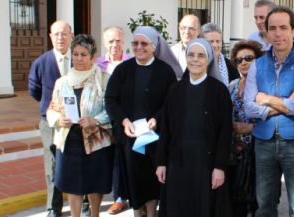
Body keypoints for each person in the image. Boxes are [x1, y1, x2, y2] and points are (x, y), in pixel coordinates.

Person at [244, 6, 294, 217]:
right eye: (273, 28)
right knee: (264, 206)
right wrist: (288, 102)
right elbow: (249, 107)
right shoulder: (257, 65)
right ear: (266, 32)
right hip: (264, 142)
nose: (278, 34)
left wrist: (267, 100)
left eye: (283, 28)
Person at [155, 38, 232, 217]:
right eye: (191, 55)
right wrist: (161, 162)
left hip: (206, 164)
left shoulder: (219, 91)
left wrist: (220, 166)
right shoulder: (175, 90)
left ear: (209, 60)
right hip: (177, 162)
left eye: (201, 55)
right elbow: (165, 129)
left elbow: (225, 132)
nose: (195, 60)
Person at [105, 26, 177, 217]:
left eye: (144, 43)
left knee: (152, 179)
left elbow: (171, 102)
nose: (139, 47)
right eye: (135, 43)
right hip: (130, 137)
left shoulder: (165, 71)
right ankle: (137, 212)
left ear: (154, 46)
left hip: (156, 137)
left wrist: (156, 118)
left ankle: (152, 213)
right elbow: (111, 99)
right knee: (133, 178)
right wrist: (124, 121)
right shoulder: (122, 70)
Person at [46, 34, 113, 217]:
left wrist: (95, 120)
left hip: (96, 140)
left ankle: (95, 214)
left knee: (94, 182)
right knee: (72, 183)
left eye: (83, 54)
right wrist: (60, 118)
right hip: (69, 140)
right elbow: (51, 109)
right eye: (75, 54)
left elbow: (113, 108)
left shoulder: (104, 80)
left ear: (93, 56)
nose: (78, 58)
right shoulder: (62, 82)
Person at [28, 20, 72, 217]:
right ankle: (53, 207)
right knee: (52, 165)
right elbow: (34, 90)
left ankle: (85, 200)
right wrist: (51, 108)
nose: (60, 38)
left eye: (64, 33)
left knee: (80, 160)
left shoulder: (80, 59)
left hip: (76, 122)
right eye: (56, 34)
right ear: (50, 37)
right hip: (51, 122)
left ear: (71, 35)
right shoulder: (41, 62)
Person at [94, 26, 131, 215]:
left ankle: (121, 197)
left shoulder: (132, 62)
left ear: (123, 42)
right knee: (105, 159)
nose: (115, 44)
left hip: (123, 119)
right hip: (101, 120)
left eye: (118, 40)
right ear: (104, 42)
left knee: (121, 158)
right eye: (110, 41)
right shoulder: (98, 64)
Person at [227, 40, 264, 217]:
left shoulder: (266, 87)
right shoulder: (231, 86)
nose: (244, 62)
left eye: (249, 58)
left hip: (260, 151)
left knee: (259, 201)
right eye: (239, 60)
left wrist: (250, 128)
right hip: (235, 153)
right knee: (236, 199)